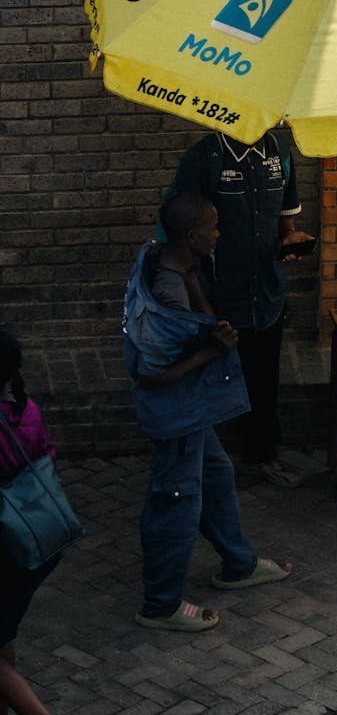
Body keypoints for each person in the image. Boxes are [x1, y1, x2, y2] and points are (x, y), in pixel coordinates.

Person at [124, 192, 291, 633]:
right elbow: (151, 374)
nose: (219, 232)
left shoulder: (178, 265)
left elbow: (202, 317)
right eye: (213, 227)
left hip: (192, 413)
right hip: (176, 416)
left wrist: (197, 275)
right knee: (174, 503)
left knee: (216, 476)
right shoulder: (167, 292)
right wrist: (210, 352)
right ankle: (160, 605)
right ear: (190, 234)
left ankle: (239, 564)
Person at [169, 130, 314, 488]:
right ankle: (199, 463)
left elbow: (285, 222)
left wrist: (290, 241)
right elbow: (179, 233)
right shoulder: (205, 157)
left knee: (263, 378)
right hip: (218, 294)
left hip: (266, 294)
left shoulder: (279, 152)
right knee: (209, 377)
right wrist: (199, 302)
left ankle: (262, 455)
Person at [0, 329, 82, 715]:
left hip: (5, 547)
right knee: (3, 629)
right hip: (38, 544)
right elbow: (44, 457)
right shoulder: (25, 410)